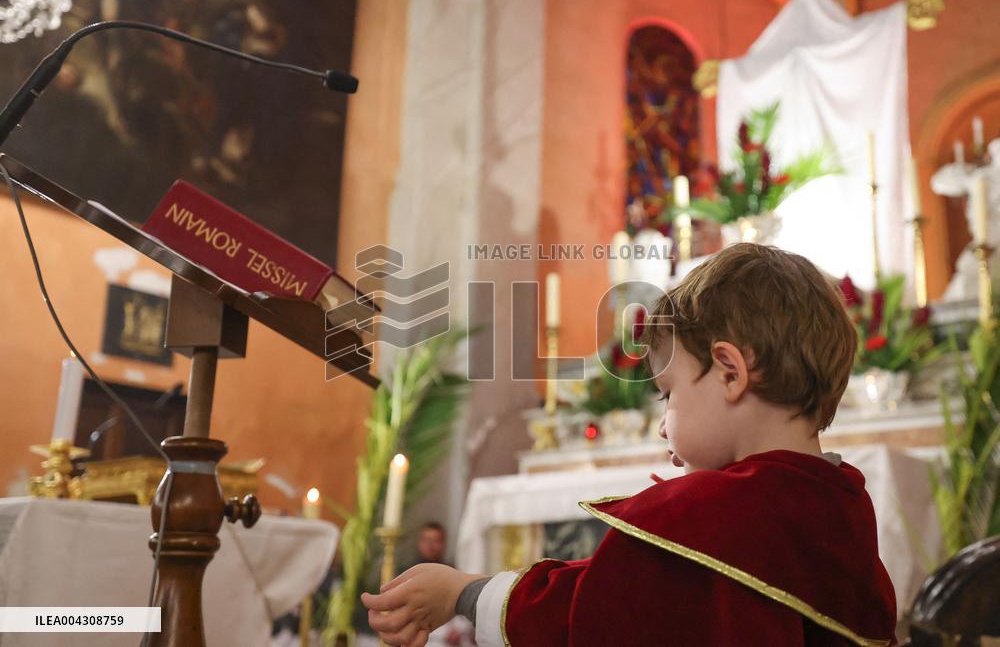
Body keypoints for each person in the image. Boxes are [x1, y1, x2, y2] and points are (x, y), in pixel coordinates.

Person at [361, 243, 897, 646]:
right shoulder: (841, 502)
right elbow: (637, 585)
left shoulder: (713, 514)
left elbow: (588, 615)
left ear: (730, 373)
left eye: (668, 395)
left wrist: (465, 594)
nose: (663, 425)